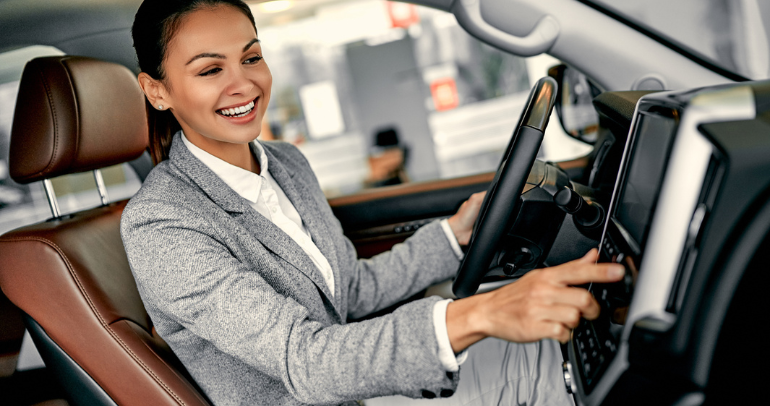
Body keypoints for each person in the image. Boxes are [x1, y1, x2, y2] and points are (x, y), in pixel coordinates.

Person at [120, 1, 625, 405]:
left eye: (251, 57)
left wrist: (457, 232)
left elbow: (352, 292)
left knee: (554, 344)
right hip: (326, 392)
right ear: (157, 91)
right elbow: (305, 360)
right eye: (210, 70)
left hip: (359, 382)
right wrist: (479, 314)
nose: (244, 83)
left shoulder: (285, 163)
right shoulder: (162, 224)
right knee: (551, 369)